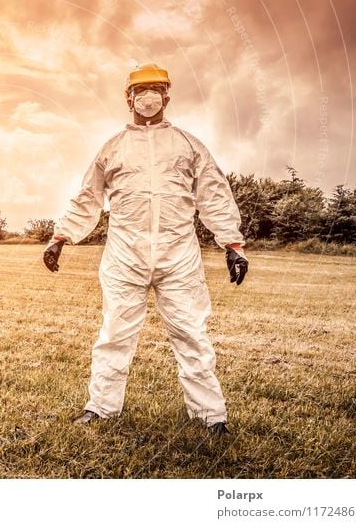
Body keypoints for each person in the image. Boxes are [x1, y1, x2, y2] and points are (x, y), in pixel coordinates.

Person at [43, 63, 248, 435]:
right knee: (114, 335)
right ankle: (101, 408)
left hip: (179, 257)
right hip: (125, 256)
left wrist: (232, 244)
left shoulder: (188, 145)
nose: (149, 96)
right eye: (141, 90)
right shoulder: (114, 147)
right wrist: (61, 237)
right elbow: (88, 197)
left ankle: (210, 416)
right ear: (129, 98)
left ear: (167, 96)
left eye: (156, 89)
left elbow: (214, 194)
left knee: (191, 334)